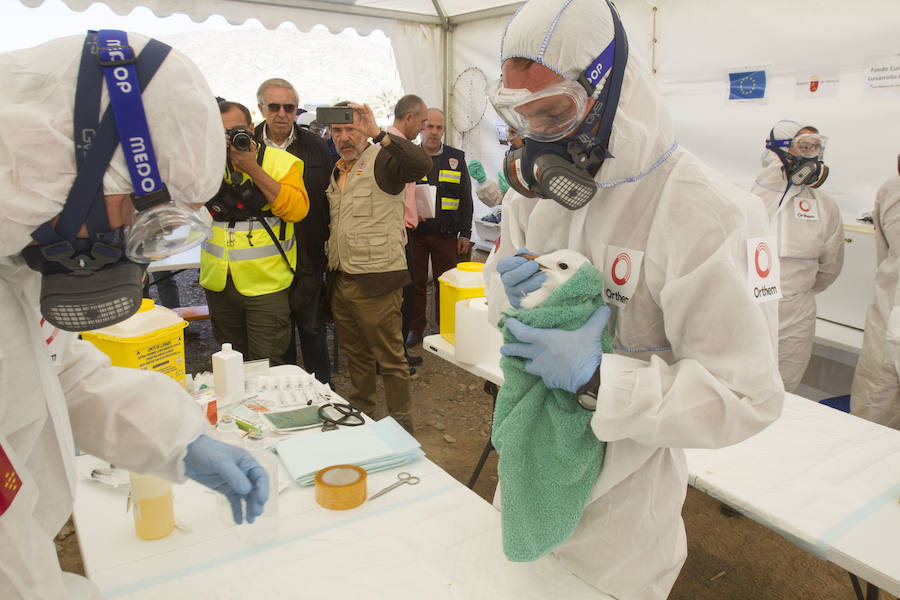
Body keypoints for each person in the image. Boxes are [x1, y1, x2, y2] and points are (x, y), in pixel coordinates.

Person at [481, 1, 784, 597]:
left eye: (555, 112)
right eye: (520, 116)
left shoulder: (705, 212)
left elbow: (747, 396)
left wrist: (599, 380)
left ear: (611, 89)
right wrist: (505, 297)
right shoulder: (532, 198)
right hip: (524, 481)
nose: (536, 138)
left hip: (622, 528)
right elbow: (501, 302)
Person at [0, 31, 269, 598]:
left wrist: (180, 438)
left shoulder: (13, 265)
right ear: (68, 167)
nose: (132, 246)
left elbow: (59, 369)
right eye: (145, 216)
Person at [326, 102, 431, 433]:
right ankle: (362, 419)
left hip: (378, 283)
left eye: (351, 129)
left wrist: (378, 134)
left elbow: (420, 164)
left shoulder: (384, 160)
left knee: (391, 360)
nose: (345, 137)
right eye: (337, 130)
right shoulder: (338, 169)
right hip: (342, 280)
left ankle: (402, 428)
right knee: (355, 357)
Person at [201, 101, 309, 365]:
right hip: (219, 282)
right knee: (231, 362)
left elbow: (296, 211)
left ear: (251, 127)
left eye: (236, 130)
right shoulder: (205, 165)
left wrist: (252, 168)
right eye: (222, 132)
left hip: (266, 285)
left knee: (266, 364)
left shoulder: (282, 162)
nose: (229, 138)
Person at [750, 121, 845, 392]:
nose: (811, 155)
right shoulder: (745, 196)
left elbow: (830, 267)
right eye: (804, 146)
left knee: (783, 393)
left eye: (816, 147)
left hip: (796, 317)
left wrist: (793, 294)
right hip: (745, 308)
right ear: (778, 150)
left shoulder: (825, 207)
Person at [255, 78, 333, 385]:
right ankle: (284, 391)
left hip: (306, 251)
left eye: (289, 107)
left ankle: (322, 388)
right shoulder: (248, 146)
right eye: (274, 106)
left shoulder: (315, 146)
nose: (282, 114)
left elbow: (326, 200)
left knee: (312, 327)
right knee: (278, 329)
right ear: (261, 108)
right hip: (265, 256)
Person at [406, 108, 474, 347]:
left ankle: (444, 327)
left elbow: (466, 197)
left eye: (439, 127)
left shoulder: (456, 158)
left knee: (445, 283)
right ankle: (415, 328)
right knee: (414, 283)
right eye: (430, 126)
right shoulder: (409, 155)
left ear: (444, 129)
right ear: (422, 127)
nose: (434, 132)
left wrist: (465, 233)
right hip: (415, 234)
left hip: (447, 234)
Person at [851, 170, 900, 430]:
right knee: (872, 408)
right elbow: (884, 250)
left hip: (891, 306)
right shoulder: (892, 188)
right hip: (888, 310)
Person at [387, 94, 429, 370]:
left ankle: (398, 351)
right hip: (394, 234)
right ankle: (391, 357)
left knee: (405, 296)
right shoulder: (390, 146)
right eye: (423, 122)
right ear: (409, 118)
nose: (424, 128)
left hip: (405, 231)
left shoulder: (399, 145)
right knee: (395, 300)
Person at [469, 127, 521, 208]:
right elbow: (496, 199)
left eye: (513, 133)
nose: (508, 139)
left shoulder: (539, 160)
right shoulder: (512, 156)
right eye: (508, 132)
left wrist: (513, 192)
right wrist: (483, 181)